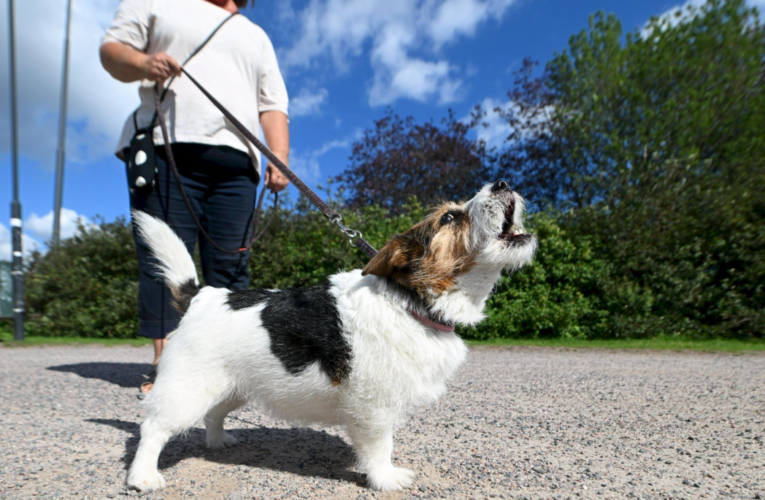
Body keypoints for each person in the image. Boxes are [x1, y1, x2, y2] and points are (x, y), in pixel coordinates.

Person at [100, 0, 289, 396]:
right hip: (167, 148)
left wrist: (280, 157)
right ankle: (167, 363)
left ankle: (229, 366)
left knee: (233, 266)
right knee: (166, 259)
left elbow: (272, 103)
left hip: (239, 165)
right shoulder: (156, 3)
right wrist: (143, 63)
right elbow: (112, 51)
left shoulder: (256, 34)